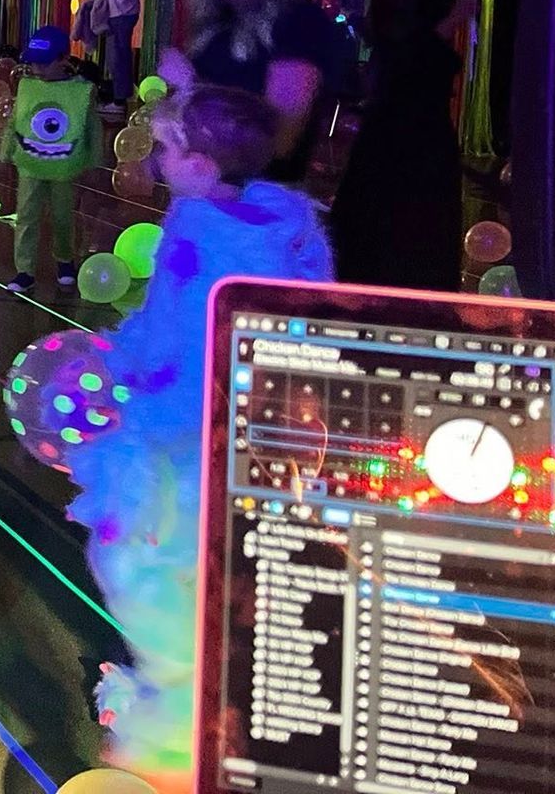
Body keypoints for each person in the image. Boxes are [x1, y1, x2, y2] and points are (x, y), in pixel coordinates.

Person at [64, 85, 331, 777]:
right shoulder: (269, 222)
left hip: (186, 449)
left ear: (202, 166)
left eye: (168, 146)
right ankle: (189, 698)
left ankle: (172, 724)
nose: (157, 156)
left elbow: (180, 347)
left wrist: (129, 393)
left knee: (141, 563)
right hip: (241, 444)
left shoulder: (211, 241)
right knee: (202, 576)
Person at [330, 0, 466, 292]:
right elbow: (410, 70)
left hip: (383, 151)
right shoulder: (417, 28)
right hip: (414, 159)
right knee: (408, 257)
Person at [157, 0, 336, 182]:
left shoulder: (296, 19)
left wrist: (192, 87)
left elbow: (279, 143)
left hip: (258, 207)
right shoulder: (220, 17)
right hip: (212, 196)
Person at [0, 25, 96, 294]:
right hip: (30, 163)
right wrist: (6, 150)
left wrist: (91, 160)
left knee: (63, 215)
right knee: (26, 215)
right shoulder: (29, 86)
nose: (37, 69)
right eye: (33, 63)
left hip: (63, 167)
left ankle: (65, 260)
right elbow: (17, 120)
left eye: (44, 63)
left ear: (63, 59)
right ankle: (24, 270)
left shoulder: (80, 92)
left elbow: (90, 127)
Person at [97, 0, 146, 115]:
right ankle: (122, 95)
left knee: (118, 59)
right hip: (129, 13)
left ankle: (119, 101)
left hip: (120, 15)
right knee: (121, 57)